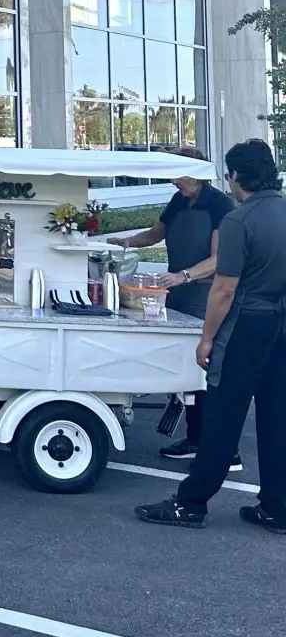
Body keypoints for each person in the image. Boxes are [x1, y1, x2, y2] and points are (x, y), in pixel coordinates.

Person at [136, 139, 286, 533]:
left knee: (223, 414)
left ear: (236, 176)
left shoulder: (239, 219)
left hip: (245, 323)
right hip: (280, 322)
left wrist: (206, 339)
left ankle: (192, 503)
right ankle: (276, 507)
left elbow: (224, 288)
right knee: (275, 417)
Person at [111, 147, 239, 466]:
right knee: (188, 368)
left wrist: (183, 275)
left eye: (177, 175)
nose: (173, 182)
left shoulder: (220, 205)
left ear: (195, 171)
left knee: (209, 370)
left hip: (207, 296)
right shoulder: (179, 200)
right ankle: (197, 439)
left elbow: (218, 259)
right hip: (178, 294)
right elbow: (155, 235)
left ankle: (224, 449)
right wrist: (121, 243)